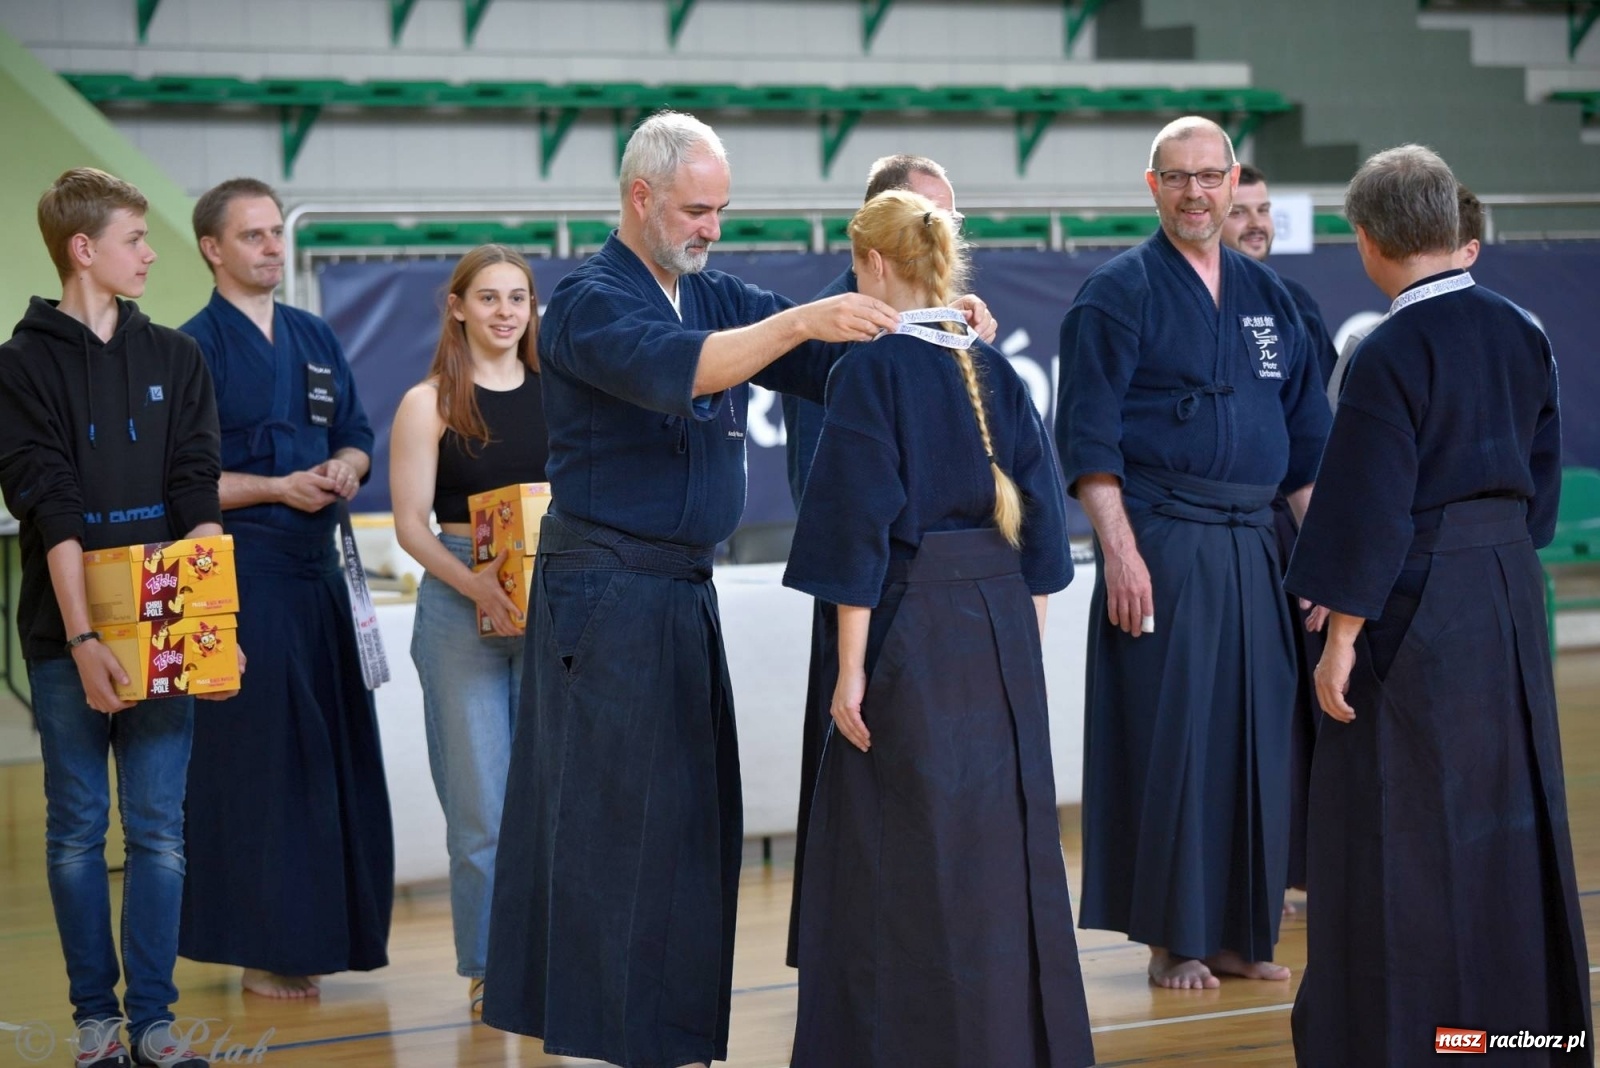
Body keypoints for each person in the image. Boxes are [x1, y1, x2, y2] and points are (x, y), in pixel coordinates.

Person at [480, 111, 994, 1068]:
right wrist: (800, 319)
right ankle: (609, 1041)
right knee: (612, 826)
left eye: (720, 210)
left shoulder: (712, 292)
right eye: (696, 210)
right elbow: (688, 368)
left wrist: (932, 321)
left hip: (681, 589)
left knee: (687, 823)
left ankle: (666, 1038)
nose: (712, 228)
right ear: (641, 198)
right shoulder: (588, 301)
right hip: (605, 591)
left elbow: (828, 358)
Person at [1285, 144, 1591, 1066]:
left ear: (1369, 240)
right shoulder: (1521, 330)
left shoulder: (1387, 349)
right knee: (1507, 814)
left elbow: (1370, 501)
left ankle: (1418, 1040)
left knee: (1402, 822)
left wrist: (1342, 634)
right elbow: (1542, 483)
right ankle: (1521, 1034)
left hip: (1416, 606)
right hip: (1506, 591)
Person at [782, 190, 1094, 1068]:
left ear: (876, 264)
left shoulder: (871, 372)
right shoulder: (997, 368)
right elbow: (1042, 539)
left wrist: (850, 671)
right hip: (1000, 635)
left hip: (909, 634)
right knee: (999, 851)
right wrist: (1021, 653)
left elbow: (857, 530)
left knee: (903, 848)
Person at [1055, 116, 1331, 990]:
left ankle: (1241, 932)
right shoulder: (1116, 293)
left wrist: (1322, 559)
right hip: (1163, 540)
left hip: (1255, 544)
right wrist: (1120, 552)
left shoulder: (1271, 299)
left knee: (1257, 740)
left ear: (1232, 180)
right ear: (1153, 187)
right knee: (1170, 739)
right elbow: (1088, 441)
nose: (1196, 194)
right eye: (1177, 178)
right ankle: (1172, 940)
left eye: (1210, 176)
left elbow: (1307, 449)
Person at [0, 168, 230, 1068]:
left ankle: (155, 1026)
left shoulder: (177, 357)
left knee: (160, 829)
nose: (150, 253)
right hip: (66, 636)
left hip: (169, 626)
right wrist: (85, 639)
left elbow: (196, 493)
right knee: (75, 829)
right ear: (83, 249)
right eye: (135, 239)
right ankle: (96, 1025)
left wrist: (214, 625)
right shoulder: (18, 367)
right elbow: (50, 505)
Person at [177, 178, 393, 999]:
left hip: (320, 575)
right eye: (254, 235)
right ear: (213, 248)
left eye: (277, 232)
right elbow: (181, 482)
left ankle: (328, 935)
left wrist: (346, 467)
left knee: (331, 756)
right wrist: (275, 488)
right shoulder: (192, 349)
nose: (273, 247)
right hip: (243, 579)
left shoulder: (314, 335)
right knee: (258, 763)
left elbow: (358, 433)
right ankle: (261, 947)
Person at [778, 152, 992, 969]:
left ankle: (935, 962)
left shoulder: (959, 339)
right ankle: (853, 967)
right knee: (861, 794)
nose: (938, 236)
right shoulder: (836, 330)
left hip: (950, 605)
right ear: (875, 235)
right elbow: (830, 501)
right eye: (923, 219)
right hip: (866, 598)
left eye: (948, 220)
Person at [389, 244, 547, 1014]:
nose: (505, 312)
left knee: (546, 799)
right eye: (488, 297)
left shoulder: (558, 394)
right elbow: (410, 526)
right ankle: (490, 968)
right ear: (457, 307)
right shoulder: (429, 404)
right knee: (481, 807)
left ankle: (543, 957)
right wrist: (476, 584)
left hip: (545, 600)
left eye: (517, 297)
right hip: (460, 600)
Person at [1221, 162, 1341, 904]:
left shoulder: (1294, 305)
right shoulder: (1178, 302)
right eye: (1241, 211)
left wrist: (1323, 553)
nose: (1257, 223)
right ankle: (1250, 870)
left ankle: (1307, 865)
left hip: (1288, 530)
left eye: (1262, 210)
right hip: (1221, 530)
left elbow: (1314, 441)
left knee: (1306, 703)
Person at [1326, 182, 1488, 405]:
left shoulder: (1514, 332)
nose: (1426, 251)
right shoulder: (1366, 342)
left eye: (1442, 243)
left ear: (1469, 253)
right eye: (1424, 238)